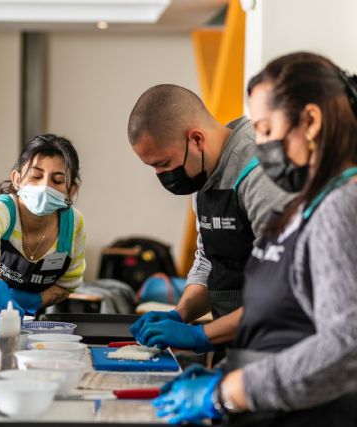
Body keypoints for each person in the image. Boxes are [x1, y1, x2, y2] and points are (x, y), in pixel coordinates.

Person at [153, 52, 357, 426]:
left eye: (265, 129)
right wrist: (228, 370)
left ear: (310, 121)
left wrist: (228, 391)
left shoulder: (342, 207)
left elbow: (346, 346)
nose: (259, 146)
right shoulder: (300, 208)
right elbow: (276, 322)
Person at [127, 84, 291, 358]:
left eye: (164, 162)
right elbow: (209, 261)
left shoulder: (261, 174)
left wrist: (200, 334)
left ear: (197, 140)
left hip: (276, 348)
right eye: (153, 166)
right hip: (234, 340)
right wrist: (180, 314)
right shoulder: (202, 176)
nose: (162, 174)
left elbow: (281, 290)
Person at [0, 134, 87, 315]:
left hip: (19, 323)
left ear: (71, 190)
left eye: (57, 180)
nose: (45, 186)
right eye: (36, 176)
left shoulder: (73, 225)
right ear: (17, 179)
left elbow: (67, 285)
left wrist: (36, 300)